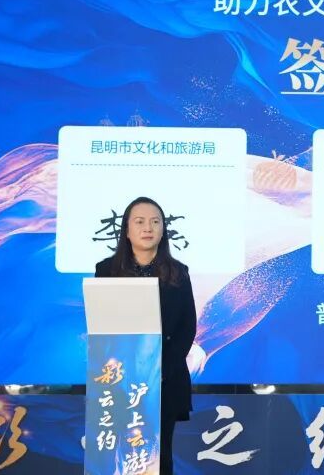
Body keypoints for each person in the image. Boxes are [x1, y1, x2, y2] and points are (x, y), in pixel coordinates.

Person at [95, 197, 196, 475]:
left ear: (163, 230)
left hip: (164, 380)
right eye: (139, 221)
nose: (148, 228)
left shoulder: (178, 273)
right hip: (119, 380)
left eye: (155, 222)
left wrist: (159, 369)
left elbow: (187, 328)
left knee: (158, 457)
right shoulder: (106, 271)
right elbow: (102, 324)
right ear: (126, 230)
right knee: (118, 457)